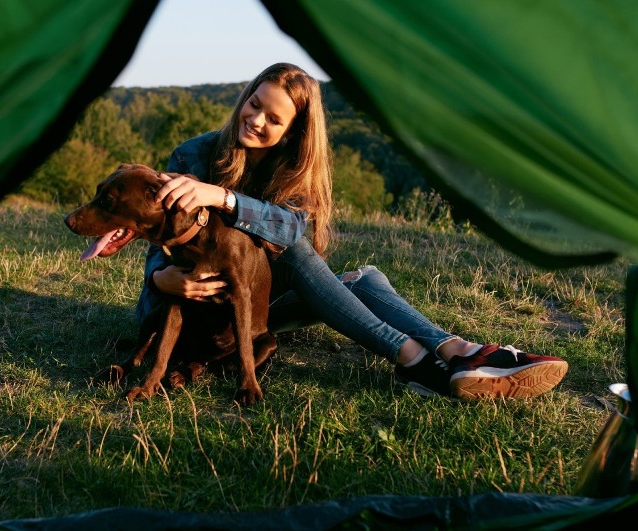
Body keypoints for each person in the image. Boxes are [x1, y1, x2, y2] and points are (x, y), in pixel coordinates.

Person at [134, 62, 568, 400]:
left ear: (292, 133)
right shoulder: (193, 155)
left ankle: (444, 353)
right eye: (254, 104)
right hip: (195, 308)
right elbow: (158, 230)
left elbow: (287, 228)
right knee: (333, 268)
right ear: (244, 98)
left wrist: (223, 198)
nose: (257, 120)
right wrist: (160, 277)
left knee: (340, 267)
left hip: (255, 306)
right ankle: (430, 355)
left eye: (274, 118)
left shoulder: (292, 171)